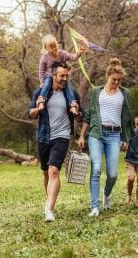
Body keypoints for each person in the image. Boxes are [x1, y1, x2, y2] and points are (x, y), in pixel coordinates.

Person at [27, 62, 84, 222]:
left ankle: (50, 210)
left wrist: (77, 112)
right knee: (45, 171)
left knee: (54, 171)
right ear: (53, 76)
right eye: (62, 76)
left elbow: (81, 116)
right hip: (44, 136)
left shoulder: (71, 94)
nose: (65, 78)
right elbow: (30, 112)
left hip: (62, 136)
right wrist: (37, 110)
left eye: (67, 75)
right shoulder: (41, 91)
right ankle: (49, 201)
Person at [77, 58, 133, 217]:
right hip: (96, 133)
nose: (117, 82)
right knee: (95, 169)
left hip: (115, 135)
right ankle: (95, 206)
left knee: (113, 174)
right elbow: (87, 116)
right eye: (114, 79)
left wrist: (125, 138)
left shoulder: (124, 93)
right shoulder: (96, 92)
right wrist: (82, 136)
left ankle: (106, 193)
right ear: (107, 76)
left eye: (119, 80)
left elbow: (127, 117)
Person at [38, 34, 85, 115]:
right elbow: (41, 70)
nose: (55, 48)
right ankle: (42, 102)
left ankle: (73, 106)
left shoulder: (62, 53)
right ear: (46, 49)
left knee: (69, 87)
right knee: (46, 85)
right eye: (52, 47)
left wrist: (78, 53)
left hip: (61, 77)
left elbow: (72, 57)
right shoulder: (45, 57)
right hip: (49, 76)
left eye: (55, 46)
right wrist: (42, 81)